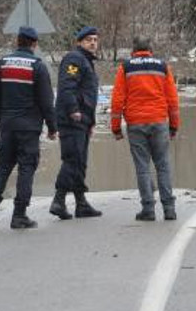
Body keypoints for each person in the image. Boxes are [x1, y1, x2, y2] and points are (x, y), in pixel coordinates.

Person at [0, 26, 57, 229]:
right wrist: (52, 127)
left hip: (7, 126)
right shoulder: (37, 67)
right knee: (26, 169)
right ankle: (19, 215)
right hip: (29, 129)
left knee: (3, 167)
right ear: (34, 44)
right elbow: (46, 102)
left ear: (17, 41)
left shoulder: (2, 64)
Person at [110, 36, 181, 221]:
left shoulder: (126, 67)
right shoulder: (162, 66)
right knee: (163, 166)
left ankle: (148, 209)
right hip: (159, 121)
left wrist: (116, 128)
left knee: (142, 168)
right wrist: (174, 125)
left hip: (136, 123)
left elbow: (118, 100)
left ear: (133, 50)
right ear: (151, 49)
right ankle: (169, 209)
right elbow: (172, 99)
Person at [49, 26, 102, 220]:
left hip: (83, 119)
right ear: (79, 42)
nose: (93, 43)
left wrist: (91, 121)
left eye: (95, 40)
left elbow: (88, 94)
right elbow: (67, 87)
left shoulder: (86, 61)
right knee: (72, 159)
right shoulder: (74, 59)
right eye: (89, 40)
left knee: (80, 161)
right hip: (72, 118)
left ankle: (81, 203)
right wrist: (74, 111)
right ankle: (59, 200)